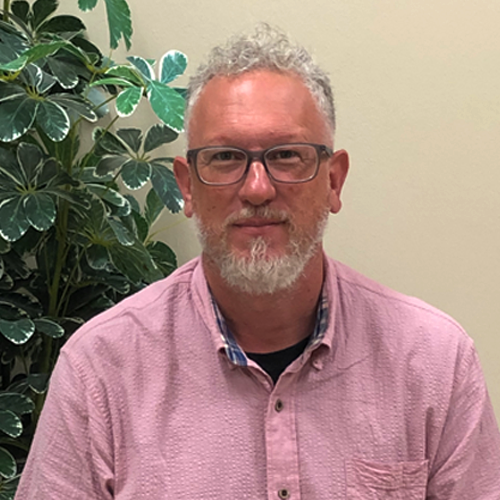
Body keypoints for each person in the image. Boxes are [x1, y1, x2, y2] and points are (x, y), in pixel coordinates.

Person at [15, 24, 500, 500]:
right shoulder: (100, 371)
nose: (256, 189)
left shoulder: (435, 362)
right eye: (225, 158)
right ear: (186, 186)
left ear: (333, 181)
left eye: (286, 155)